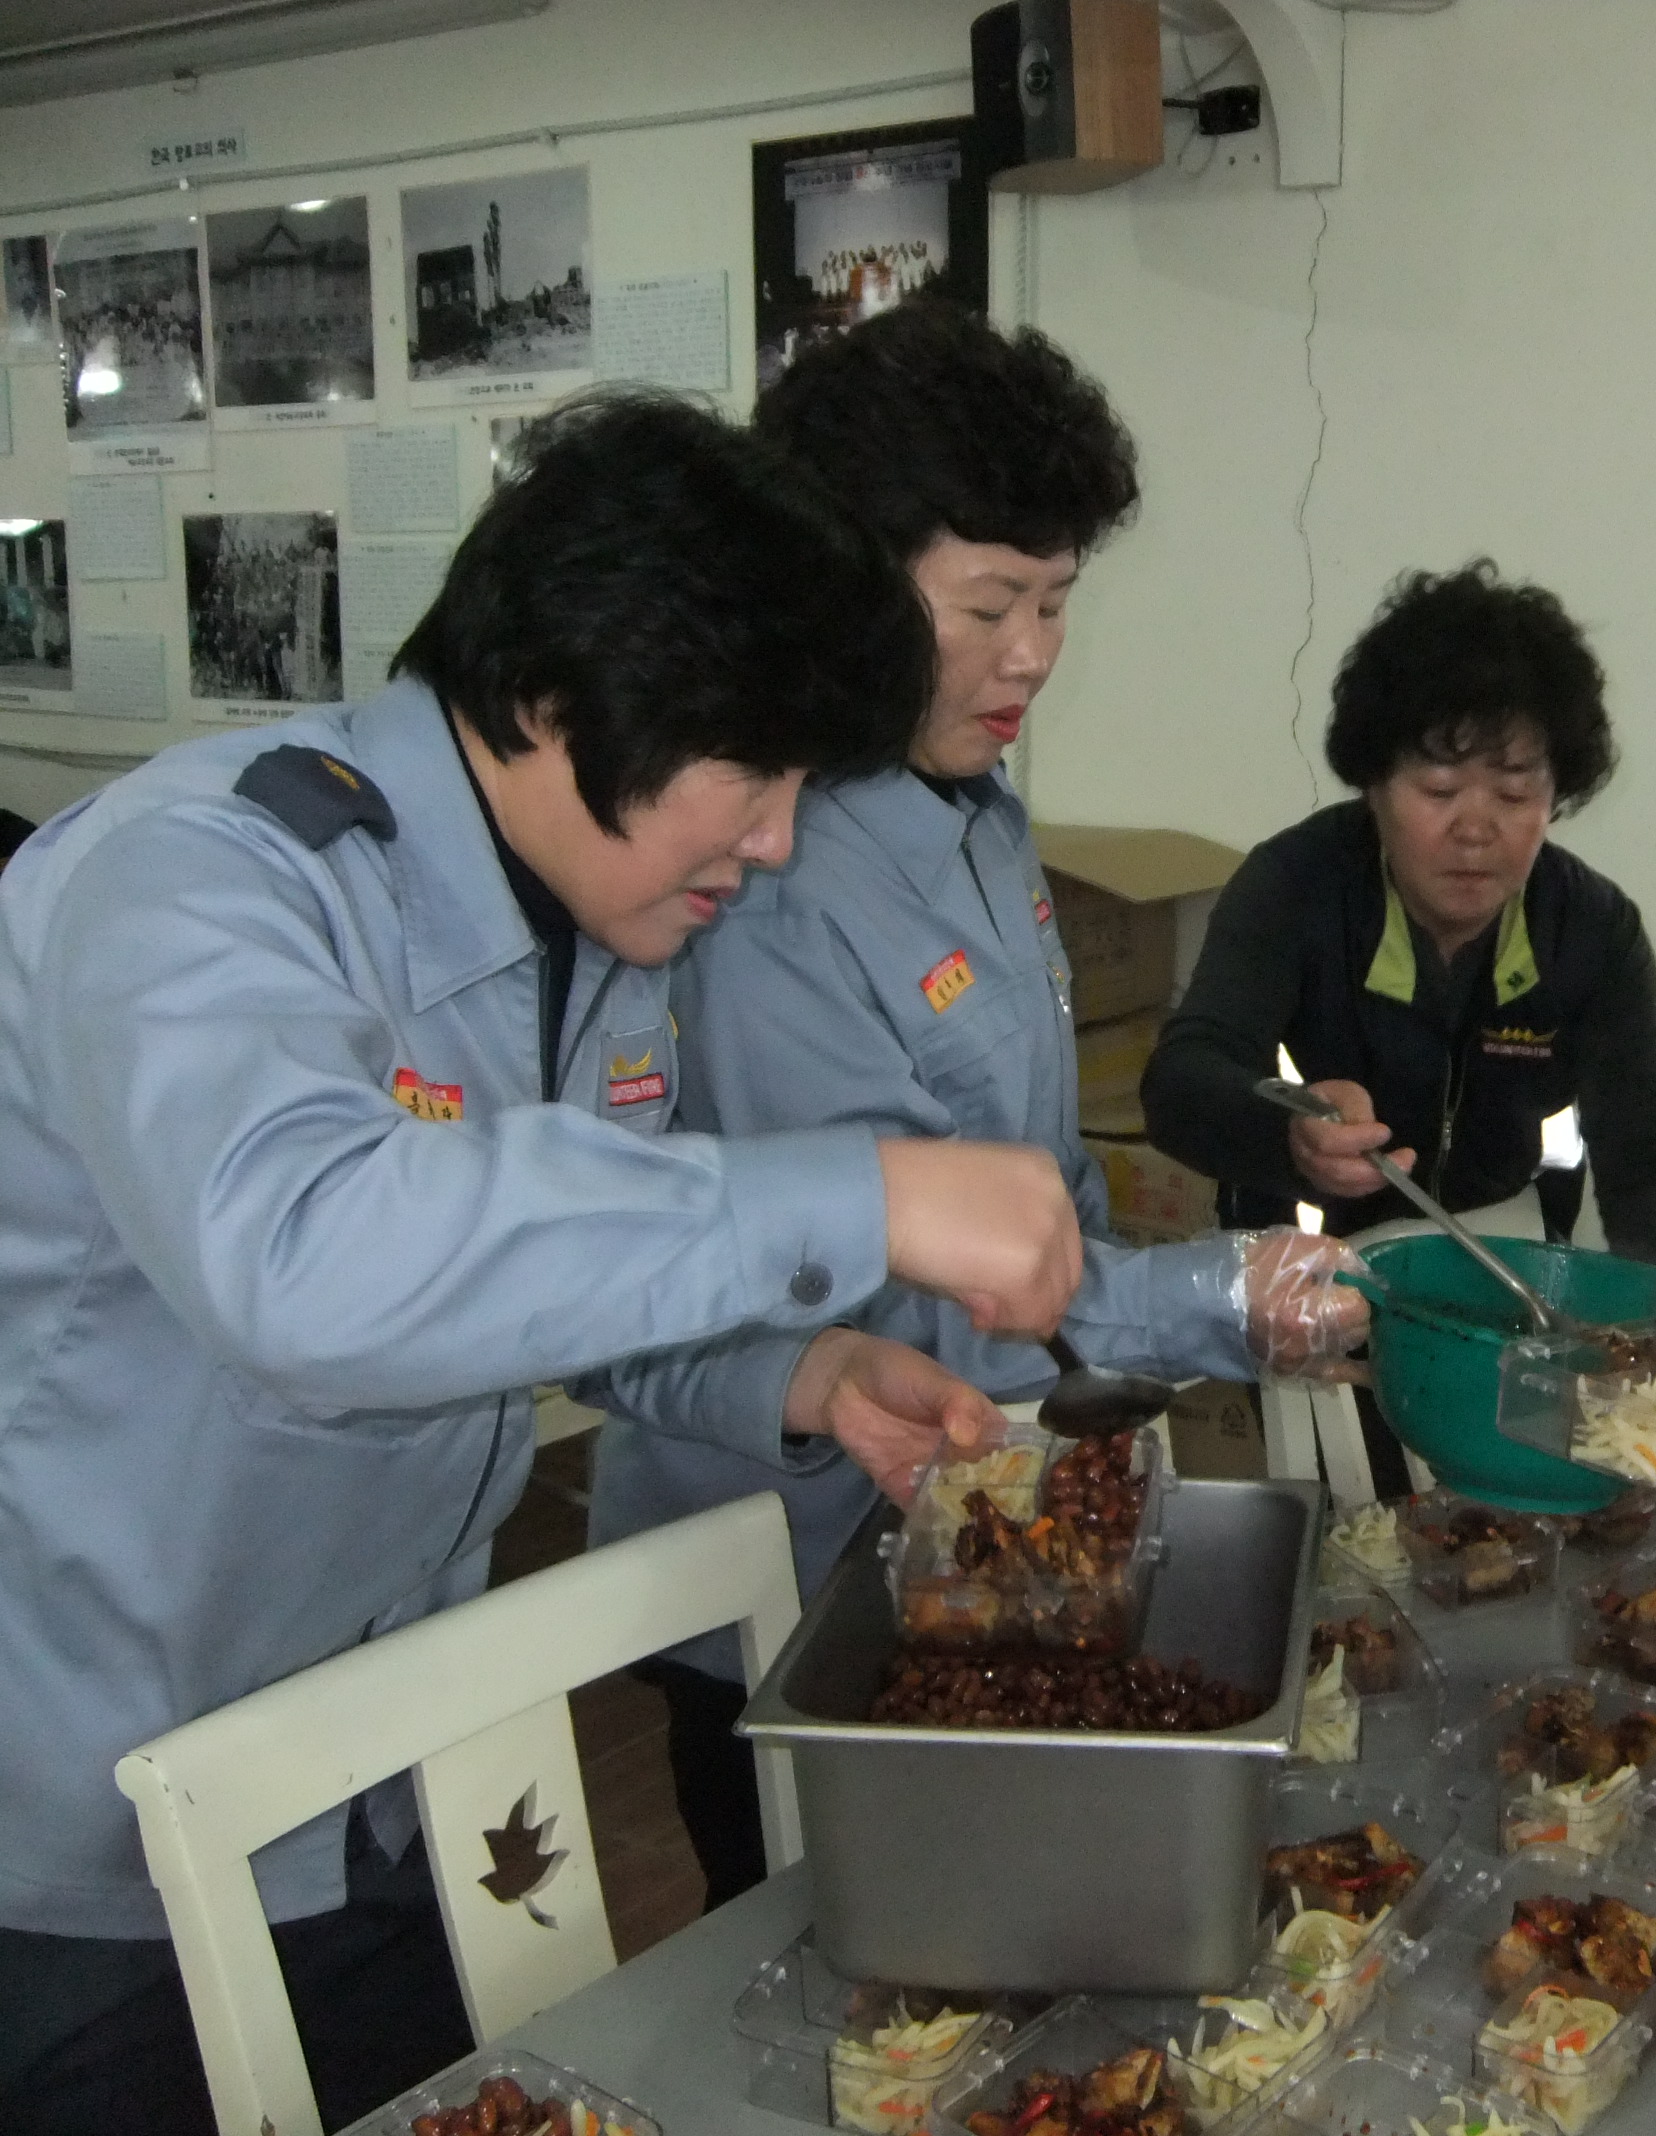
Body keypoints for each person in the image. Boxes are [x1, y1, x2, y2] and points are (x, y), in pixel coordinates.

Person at [0, 392, 1086, 2135]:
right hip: (96, 1836)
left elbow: (543, 1288)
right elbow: (307, 1261)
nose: (776, 841)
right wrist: (856, 1196)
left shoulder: (594, 933)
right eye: (752, 774)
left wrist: (792, 1372)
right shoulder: (202, 880)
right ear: (557, 698)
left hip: (388, 1778)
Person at [586, 298, 1371, 1904]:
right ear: (844, 591)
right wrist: (1218, 1298)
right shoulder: (774, 875)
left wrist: (1186, 1287)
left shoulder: (978, 810)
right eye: (989, 605)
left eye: (1058, 601)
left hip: (974, 1513)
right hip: (794, 1555)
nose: (1033, 655)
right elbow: (909, 1298)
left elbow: (1038, 1183)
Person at [1143, 560, 1656, 1257]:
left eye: (1514, 794)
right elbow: (1182, 1083)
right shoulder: (1296, 886)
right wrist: (1290, 1135)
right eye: (1439, 791)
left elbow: (1646, 1162)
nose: (1475, 831)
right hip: (1303, 1263)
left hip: (1506, 1261)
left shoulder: (1592, 929)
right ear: (1373, 785)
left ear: (1556, 796)